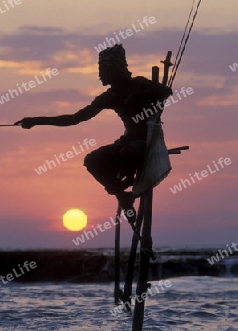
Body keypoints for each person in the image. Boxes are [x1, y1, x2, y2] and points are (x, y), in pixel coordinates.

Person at [15, 44, 172, 224]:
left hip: (146, 142)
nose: (100, 76)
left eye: (104, 70)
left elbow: (166, 92)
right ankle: (122, 195)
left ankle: (128, 180)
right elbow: (74, 119)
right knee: (92, 160)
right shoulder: (109, 97)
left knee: (128, 152)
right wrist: (35, 121)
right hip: (127, 142)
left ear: (116, 69)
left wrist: (139, 95)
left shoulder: (139, 84)